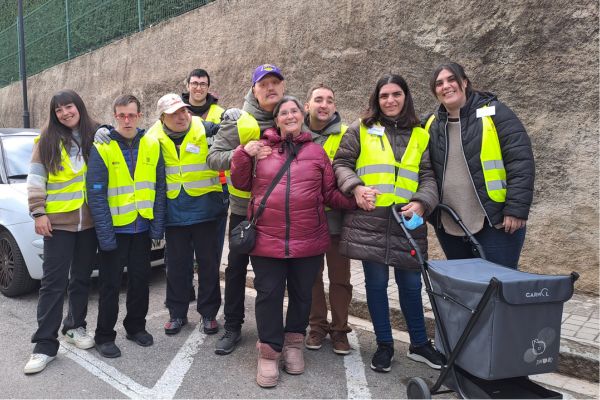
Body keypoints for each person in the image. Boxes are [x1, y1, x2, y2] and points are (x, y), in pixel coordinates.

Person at [230, 96, 357, 388]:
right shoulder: (261, 149)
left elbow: (329, 194)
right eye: (283, 112)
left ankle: (294, 343)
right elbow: (240, 183)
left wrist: (355, 199)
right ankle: (269, 351)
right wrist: (242, 153)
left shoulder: (316, 152)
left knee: (302, 295)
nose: (289, 116)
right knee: (268, 295)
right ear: (276, 120)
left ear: (302, 115)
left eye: (294, 111)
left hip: (308, 240)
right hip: (266, 240)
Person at [333, 74, 444, 373]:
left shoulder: (421, 133)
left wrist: (423, 201)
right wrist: (355, 188)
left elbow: (429, 176)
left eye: (396, 94)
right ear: (376, 100)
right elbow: (341, 164)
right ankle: (384, 345)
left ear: (406, 97)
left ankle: (419, 344)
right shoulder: (361, 128)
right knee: (377, 285)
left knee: (410, 286)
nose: (390, 100)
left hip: (409, 221)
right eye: (384, 96)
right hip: (371, 220)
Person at [424, 62, 535, 268]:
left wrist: (516, 209)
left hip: (496, 221)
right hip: (450, 222)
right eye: (439, 83)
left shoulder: (496, 113)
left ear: (464, 82)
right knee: (466, 289)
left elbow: (520, 161)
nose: (446, 86)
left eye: (451, 79)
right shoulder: (431, 124)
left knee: (497, 286)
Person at [206, 63, 284, 355]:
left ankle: (274, 332)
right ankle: (233, 327)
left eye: (275, 82)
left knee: (273, 276)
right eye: (264, 84)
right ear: (254, 89)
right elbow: (213, 159)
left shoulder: (290, 115)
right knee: (237, 270)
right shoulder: (239, 120)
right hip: (243, 211)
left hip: (278, 211)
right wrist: (243, 151)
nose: (270, 88)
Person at [24, 89, 99, 374]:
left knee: (81, 279)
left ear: (79, 106)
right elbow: (35, 178)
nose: (65, 113)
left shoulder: (95, 134)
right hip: (58, 223)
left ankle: (75, 327)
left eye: (69, 107)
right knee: (53, 284)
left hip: (89, 222)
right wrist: (39, 212)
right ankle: (44, 345)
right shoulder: (46, 140)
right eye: (59, 110)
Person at [86, 95, 166, 358]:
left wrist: (156, 227)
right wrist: (105, 235)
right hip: (115, 231)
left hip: (141, 229)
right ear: (115, 116)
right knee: (109, 285)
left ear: (139, 115)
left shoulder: (152, 145)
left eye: (131, 114)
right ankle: (104, 336)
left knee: (141, 281)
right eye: (121, 115)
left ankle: (135, 327)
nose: (127, 120)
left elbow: (160, 188)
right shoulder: (103, 146)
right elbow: (95, 194)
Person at [146, 93, 226, 336]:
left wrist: (236, 117)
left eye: (183, 111)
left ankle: (209, 314)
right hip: (173, 212)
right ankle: (177, 313)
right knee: (177, 266)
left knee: (209, 264)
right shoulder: (151, 137)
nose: (181, 117)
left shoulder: (205, 127)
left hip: (205, 209)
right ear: (162, 117)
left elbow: (234, 132)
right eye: (173, 114)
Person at [301, 84, 353, 355]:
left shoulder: (347, 134)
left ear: (334, 106)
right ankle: (317, 327)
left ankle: (340, 331)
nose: (324, 105)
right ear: (307, 105)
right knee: (311, 278)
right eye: (318, 99)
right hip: (307, 222)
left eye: (329, 100)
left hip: (338, 222)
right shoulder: (297, 135)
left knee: (340, 278)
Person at [179, 68, 228, 303]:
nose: (198, 88)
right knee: (182, 249)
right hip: (180, 192)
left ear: (208, 87)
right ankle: (185, 287)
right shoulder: (174, 111)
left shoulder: (220, 113)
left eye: (203, 84)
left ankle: (208, 292)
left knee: (212, 249)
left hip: (215, 188)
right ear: (187, 85)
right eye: (195, 83)